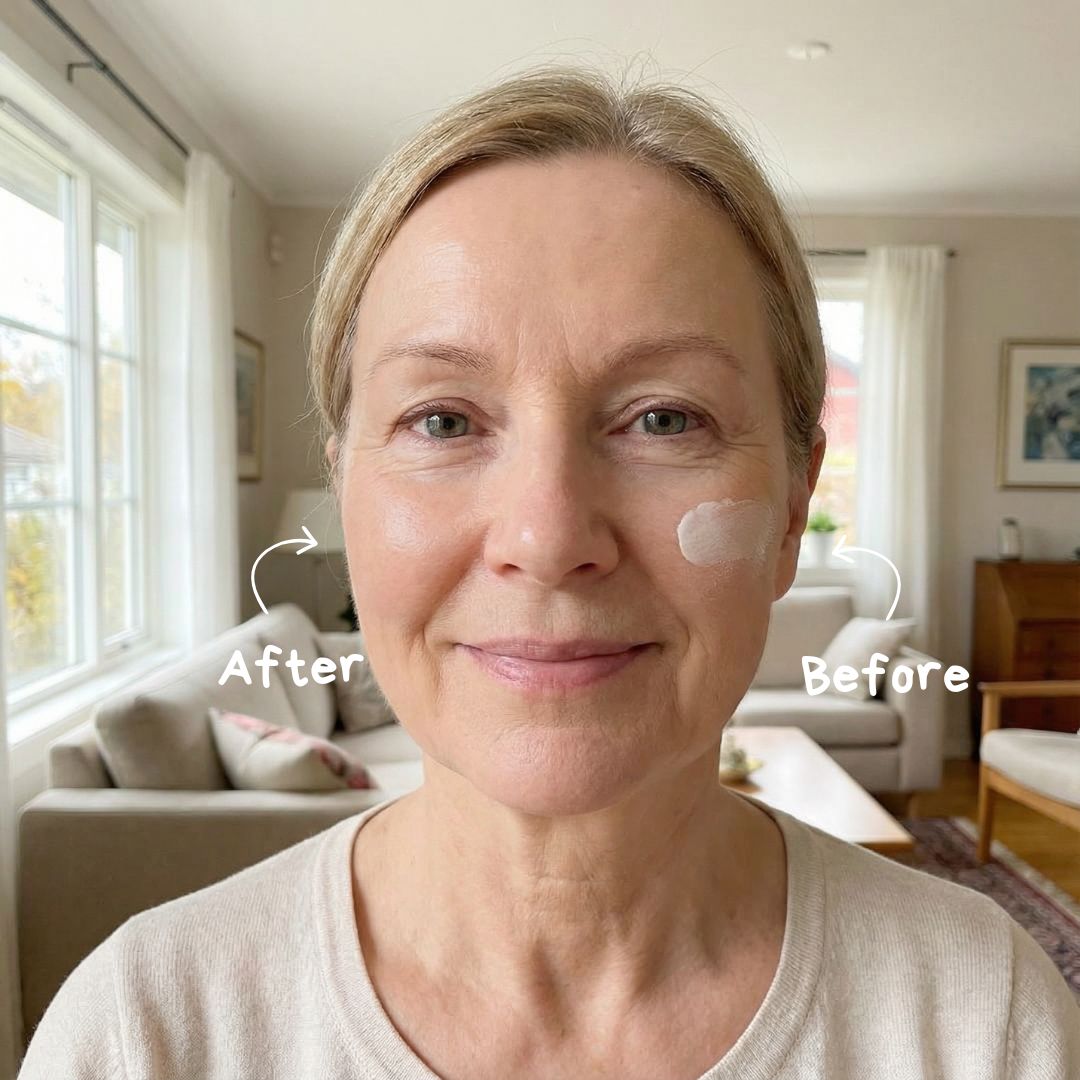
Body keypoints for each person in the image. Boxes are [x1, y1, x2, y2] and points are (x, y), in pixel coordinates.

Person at [20, 62, 1079, 1079]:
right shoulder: (146, 1032)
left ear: (794, 508)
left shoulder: (986, 1021)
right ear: (347, 492)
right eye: (441, 418)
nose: (547, 530)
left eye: (665, 418)